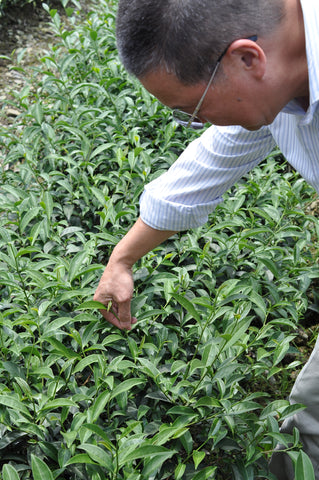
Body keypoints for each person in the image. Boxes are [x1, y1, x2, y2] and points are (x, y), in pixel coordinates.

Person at [93, 0, 319, 478]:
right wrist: (122, 259)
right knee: (308, 418)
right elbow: (211, 163)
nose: (200, 124)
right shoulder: (278, 76)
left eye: (190, 111)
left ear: (246, 59)